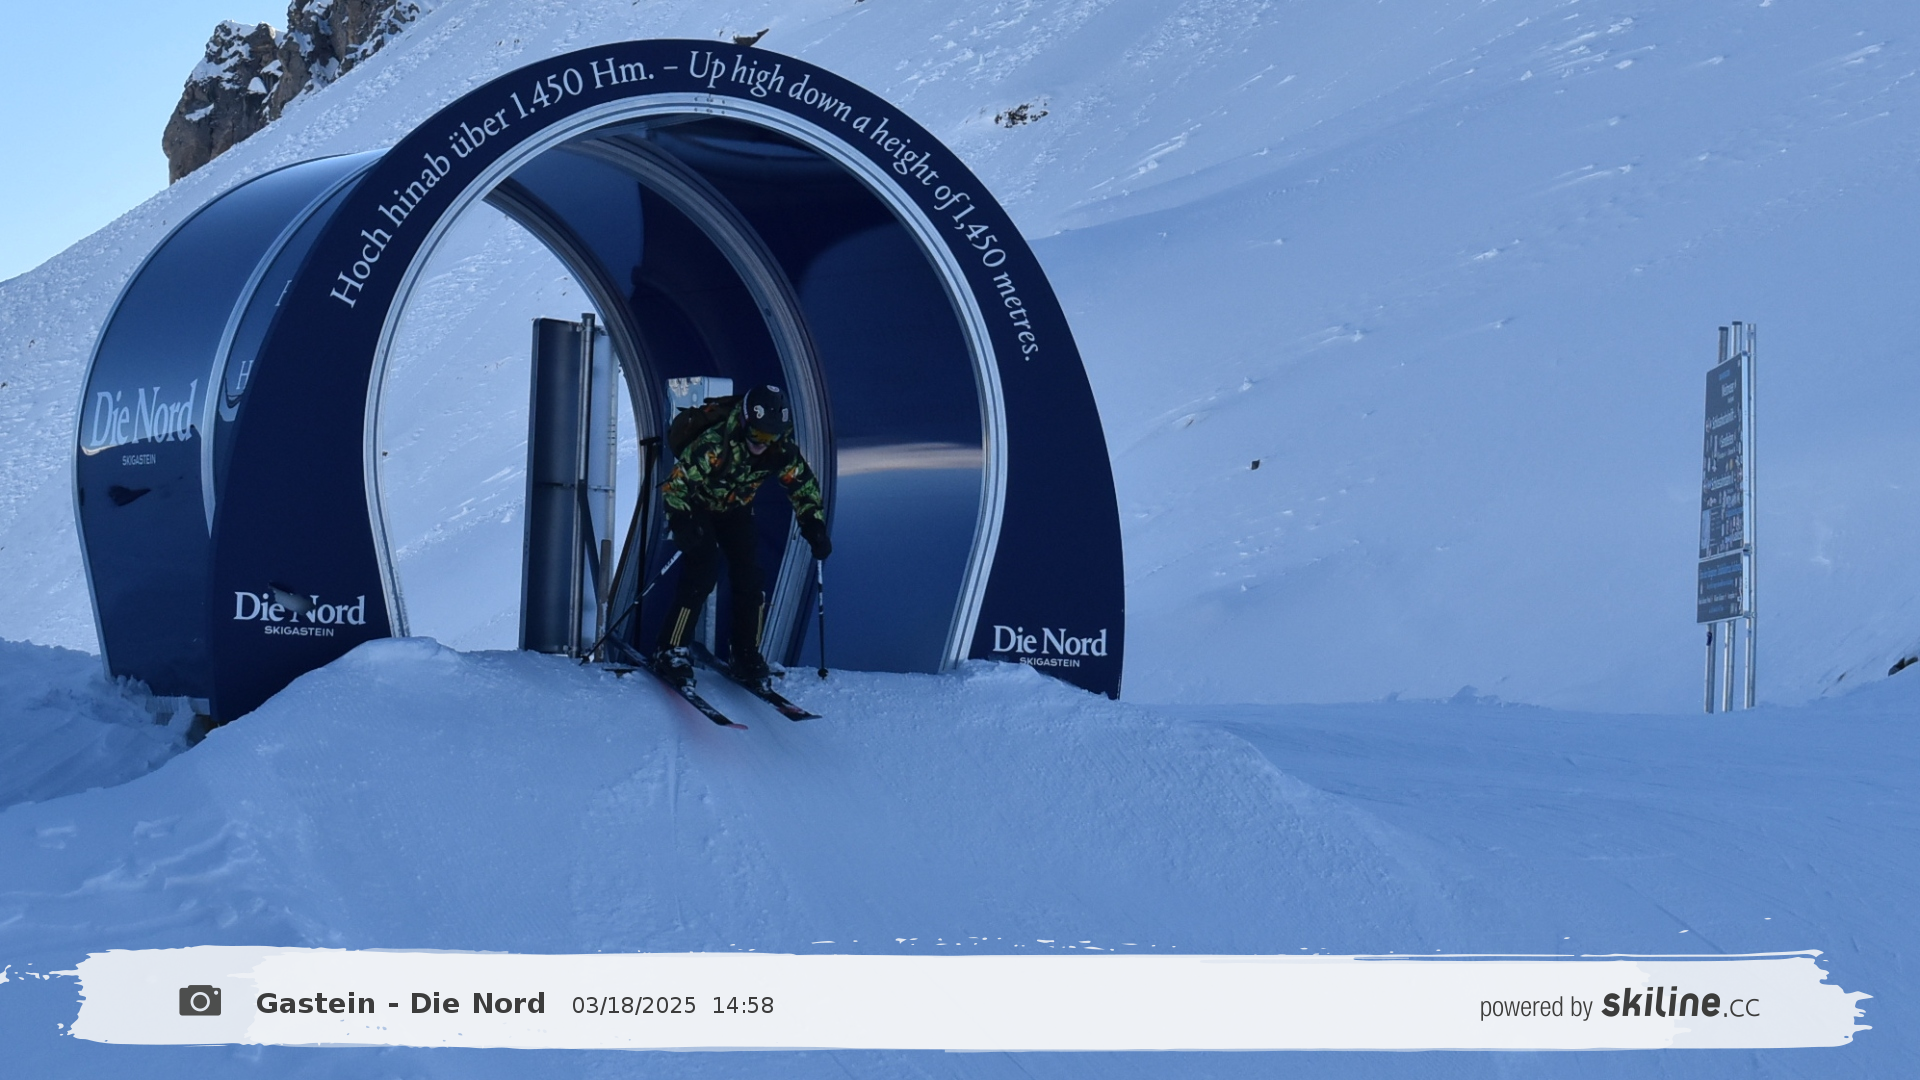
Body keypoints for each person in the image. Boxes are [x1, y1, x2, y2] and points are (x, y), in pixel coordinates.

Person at [651, 383, 831, 691]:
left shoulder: (779, 449)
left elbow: (802, 485)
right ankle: (670, 649)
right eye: (757, 435)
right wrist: (681, 521)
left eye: (770, 437)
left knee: (750, 577)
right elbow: (676, 485)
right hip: (698, 505)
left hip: (735, 509)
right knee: (703, 571)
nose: (762, 444)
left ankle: (745, 652)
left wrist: (813, 524)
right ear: (745, 422)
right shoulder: (715, 442)